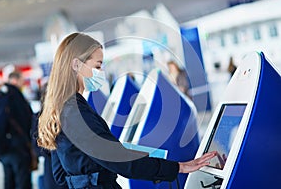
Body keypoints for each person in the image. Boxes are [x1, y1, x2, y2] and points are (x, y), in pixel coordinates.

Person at [37, 33, 216, 189]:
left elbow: (59, 174)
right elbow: (118, 159)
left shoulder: (59, 109)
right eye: (98, 66)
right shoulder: (76, 112)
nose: (101, 72)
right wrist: (178, 168)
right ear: (76, 64)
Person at [0, 70, 34, 189]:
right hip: (18, 146)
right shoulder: (15, 95)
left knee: (9, 179)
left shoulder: (0, 95)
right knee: (22, 180)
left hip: (3, 146)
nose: (23, 83)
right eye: (21, 80)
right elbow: (25, 120)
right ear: (15, 80)